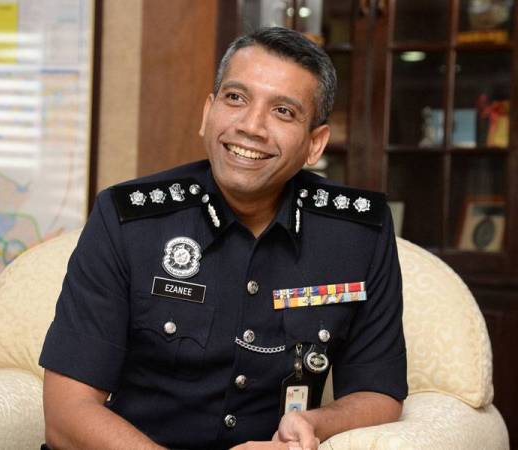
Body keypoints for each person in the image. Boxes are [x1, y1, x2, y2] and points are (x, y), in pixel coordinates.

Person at [39, 27, 407, 450]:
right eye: (235, 98)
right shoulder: (127, 220)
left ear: (315, 144)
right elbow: (66, 415)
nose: (251, 126)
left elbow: (378, 391)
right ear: (207, 113)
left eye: (283, 111)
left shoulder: (358, 233)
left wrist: (314, 424)